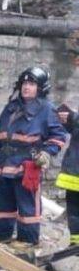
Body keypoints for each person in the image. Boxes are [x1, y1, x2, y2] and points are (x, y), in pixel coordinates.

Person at [0, 66, 67, 252]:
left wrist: (47, 153)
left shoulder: (47, 109)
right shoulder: (11, 107)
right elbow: (1, 132)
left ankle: (28, 240)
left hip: (27, 165)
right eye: (24, 83)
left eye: (31, 83)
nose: (26, 87)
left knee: (27, 204)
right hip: (5, 163)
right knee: (3, 202)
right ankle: (2, 234)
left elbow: (59, 136)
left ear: (40, 88)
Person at [56, 103, 79, 247]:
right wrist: (67, 121)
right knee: (74, 211)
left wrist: (74, 117)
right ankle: (75, 244)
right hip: (74, 175)